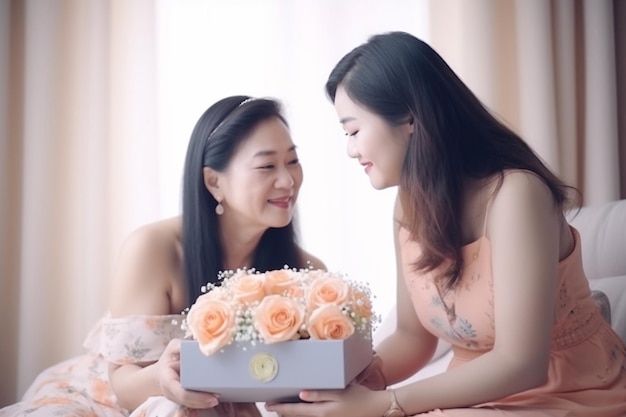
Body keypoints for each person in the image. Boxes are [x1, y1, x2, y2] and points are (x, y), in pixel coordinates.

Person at [266, 31, 626, 417]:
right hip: (472, 396)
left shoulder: (515, 195)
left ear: (408, 117)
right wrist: (362, 379)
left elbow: (521, 362)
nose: (351, 150)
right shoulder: (408, 205)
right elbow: (411, 336)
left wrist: (385, 404)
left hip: (568, 391)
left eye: (353, 131)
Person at [0, 95, 325, 417]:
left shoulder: (306, 272)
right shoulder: (153, 249)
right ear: (214, 181)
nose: (287, 180)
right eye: (267, 166)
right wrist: (161, 377)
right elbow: (122, 383)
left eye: (293, 161)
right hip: (103, 401)